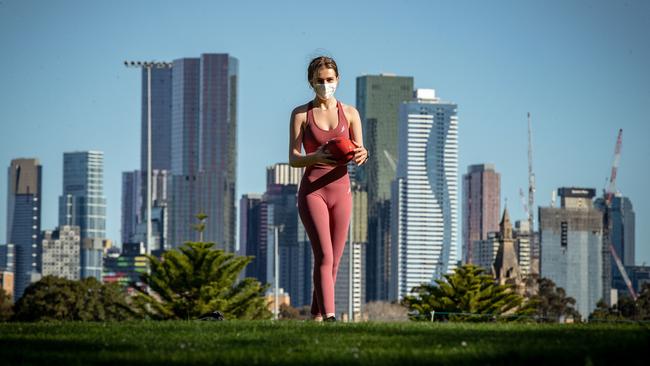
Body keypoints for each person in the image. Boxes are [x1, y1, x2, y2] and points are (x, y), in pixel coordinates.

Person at [289, 56, 368, 322]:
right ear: (311, 81)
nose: (325, 85)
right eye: (320, 81)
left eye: (330, 80)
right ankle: (331, 318)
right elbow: (293, 158)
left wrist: (362, 153)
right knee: (323, 254)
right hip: (313, 191)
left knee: (334, 261)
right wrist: (317, 157)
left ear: (338, 80)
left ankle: (316, 316)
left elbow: (359, 151)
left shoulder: (351, 114)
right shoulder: (301, 114)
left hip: (342, 191)